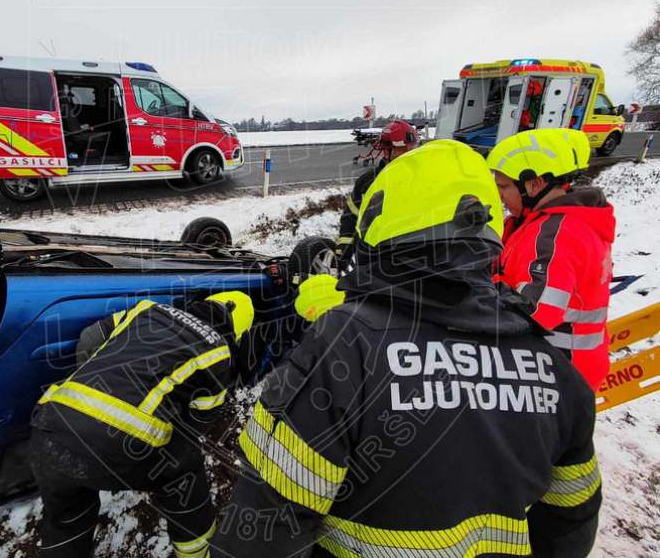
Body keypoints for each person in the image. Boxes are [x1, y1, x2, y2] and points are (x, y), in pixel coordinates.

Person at [211, 141, 601, 558]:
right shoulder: (554, 370)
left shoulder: (344, 347)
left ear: (382, 224)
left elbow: (262, 529)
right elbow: (570, 525)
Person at [30, 291, 254, 558]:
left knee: (67, 516)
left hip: (50, 424)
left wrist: (95, 395)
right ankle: (197, 552)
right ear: (236, 330)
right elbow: (196, 425)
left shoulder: (147, 309)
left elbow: (90, 337)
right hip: (118, 444)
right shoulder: (218, 352)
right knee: (185, 469)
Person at [488, 128, 615, 390]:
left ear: (533, 184)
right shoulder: (549, 222)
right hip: (569, 366)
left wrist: (483, 283)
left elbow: (533, 312)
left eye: (504, 186)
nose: (499, 195)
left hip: (558, 374)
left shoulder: (557, 234)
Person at [335, 119, 418, 271]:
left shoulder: (423, 179)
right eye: (385, 149)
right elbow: (351, 220)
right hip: (373, 263)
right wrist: (342, 257)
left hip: (415, 260)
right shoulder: (368, 182)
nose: (385, 154)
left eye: (390, 149)